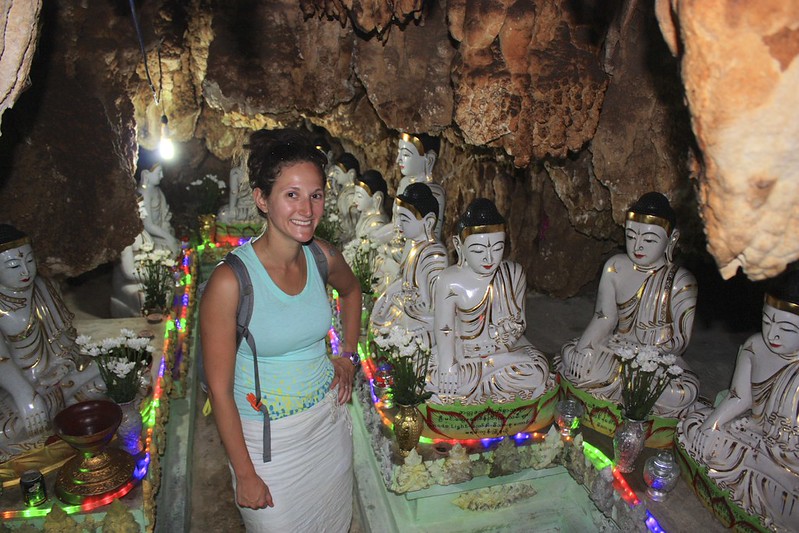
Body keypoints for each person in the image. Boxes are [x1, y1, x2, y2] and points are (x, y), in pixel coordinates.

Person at [200, 128, 362, 532]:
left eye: (316, 195)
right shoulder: (230, 282)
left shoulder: (322, 257)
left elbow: (352, 290)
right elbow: (219, 391)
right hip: (267, 446)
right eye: (292, 194)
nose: (306, 209)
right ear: (262, 199)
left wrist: (347, 356)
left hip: (327, 427)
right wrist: (245, 473)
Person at [557, 192, 699, 417]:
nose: (637, 246)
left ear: (671, 239)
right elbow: (604, 317)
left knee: (683, 392)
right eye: (631, 236)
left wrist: (646, 351)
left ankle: (625, 391)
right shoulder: (616, 267)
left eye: (649, 240)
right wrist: (584, 348)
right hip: (616, 349)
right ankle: (627, 391)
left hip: (653, 361)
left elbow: (680, 340)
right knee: (573, 355)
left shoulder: (681, 282)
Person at [678, 269, 799, 531]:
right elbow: (739, 397)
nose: (773, 335)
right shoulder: (755, 347)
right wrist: (710, 425)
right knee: (693, 423)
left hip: (784, 464)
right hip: (750, 440)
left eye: (786, 328)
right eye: (767, 321)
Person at [431, 199, 550, 404]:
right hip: (463, 352)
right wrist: (448, 365)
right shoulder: (449, 280)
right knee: (431, 379)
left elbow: (519, 323)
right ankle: (477, 383)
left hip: (502, 354)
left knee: (538, 370)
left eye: (497, 248)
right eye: (478, 250)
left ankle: (476, 385)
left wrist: (503, 338)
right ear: (459, 245)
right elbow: (445, 329)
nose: (489, 258)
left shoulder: (513, 273)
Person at [0, 225, 103, 457]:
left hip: (63, 374)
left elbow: (68, 341)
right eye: (14, 265)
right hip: (23, 388)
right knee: (8, 430)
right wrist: (26, 397)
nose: (25, 270)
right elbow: (2, 361)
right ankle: (71, 409)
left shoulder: (45, 286)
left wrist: (66, 365)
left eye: (29, 260)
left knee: (110, 371)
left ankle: (63, 410)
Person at [370, 183, 448, 350]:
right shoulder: (414, 246)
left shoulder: (434, 255)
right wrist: (388, 296)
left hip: (423, 323)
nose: (397, 225)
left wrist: (401, 302)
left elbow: (430, 306)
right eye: (397, 218)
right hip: (407, 310)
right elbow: (404, 282)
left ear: (428, 222)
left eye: (404, 219)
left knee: (396, 329)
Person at [372, 133, 445, 291]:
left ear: (429, 160)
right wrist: (374, 239)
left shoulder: (433, 193)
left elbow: (431, 237)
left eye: (405, 154)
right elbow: (395, 225)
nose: (398, 160)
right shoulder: (404, 182)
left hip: (416, 252)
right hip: (398, 244)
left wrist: (395, 253)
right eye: (399, 153)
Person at [111, 196, 155, 318]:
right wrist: (152, 275)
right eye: (141, 210)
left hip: (144, 275)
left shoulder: (142, 231)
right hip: (129, 282)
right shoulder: (125, 238)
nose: (145, 213)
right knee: (144, 297)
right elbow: (129, 272)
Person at [138, 163, 179, 256]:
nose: (162, 176)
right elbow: (147, 225)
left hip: (160, 229)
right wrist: (168, 238)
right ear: (146, 174)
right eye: (159, 172)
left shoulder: (157, 190)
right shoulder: (144, 193)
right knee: (169, 246)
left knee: (175, 243)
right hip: (149, 235)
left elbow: (163, 213)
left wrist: (165, 221)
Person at [329, 153, 361, 243]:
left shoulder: (351, 196)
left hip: (349, 237)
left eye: (337, 173)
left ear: (351, 174)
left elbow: (353, 223)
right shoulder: (344, 191)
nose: (335, 176)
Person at [351, 169, 389, 244]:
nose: (354, 200)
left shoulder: (377, 223)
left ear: (377, 198)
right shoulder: (364, 214)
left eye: (359, 196)